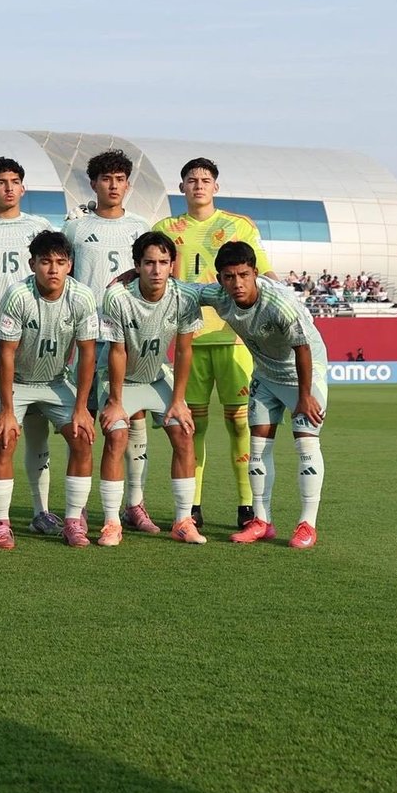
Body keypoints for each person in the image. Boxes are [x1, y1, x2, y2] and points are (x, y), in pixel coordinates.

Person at [152, 157, 277, 531]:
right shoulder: (166, 228)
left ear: (216, 187)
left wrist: (284, 297)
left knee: (242, 426)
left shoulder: (238, 226)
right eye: (191, 180)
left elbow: (264, 272)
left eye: (205, 180)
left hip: (234, 338)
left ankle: (246, 505)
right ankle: (192, 505)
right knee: (193, 428)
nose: (199, 186)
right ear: (182, 187)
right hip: (188, 339)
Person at [199, 241, 327, 549]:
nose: (237, 283)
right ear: (220, 279)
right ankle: (261, 520)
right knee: (257, 448)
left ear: (255, 273)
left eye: (244, 274)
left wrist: (306, 395)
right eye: (229, 276)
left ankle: (307, 524)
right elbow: (178, 288)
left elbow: (304, 348)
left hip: (303, 374)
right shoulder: (218, 296)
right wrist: (130, 275)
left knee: (305, 444)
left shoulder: (280, 303)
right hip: (266, 377)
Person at [0, 156, 60, 534]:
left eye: (15, 181)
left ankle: (41, 510)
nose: (8, 188)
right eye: (0, 182)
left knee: (36, 428)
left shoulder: (40, 228)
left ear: (23, 187)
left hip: (36, 341)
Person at [0, 230, 98, 548]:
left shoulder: (82, 297)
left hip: (55, 382)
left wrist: (81, 408)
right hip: (17, 382)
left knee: (82, 438)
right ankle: (1, 522)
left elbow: (88, 353)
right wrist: (7, 411)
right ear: (32, 263)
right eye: (45, 262)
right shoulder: (18, 295)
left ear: (70, 265)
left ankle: (74, 521)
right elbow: (6, 353)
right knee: (4, 440)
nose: (53, 269)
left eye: (60, 262)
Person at [63, 149, 154, 532]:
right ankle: (79, 507)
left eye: (120, 179)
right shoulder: (75, 228)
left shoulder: (141, 227)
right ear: (94, 184)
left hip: (130, 336)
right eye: (106, 179)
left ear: (128, 185)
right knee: (81, 422)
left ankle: (134, 504)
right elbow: (62, 277)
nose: (113, 185)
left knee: (131, 417)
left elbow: (158, 272)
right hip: (85, 336)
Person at [99, 232, 204, 546]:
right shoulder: (117, 297)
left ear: (172, 265)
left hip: (156, 378)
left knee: (183, 431)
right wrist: (116, 402)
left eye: (162, 262)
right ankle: (111, 522)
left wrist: (179, 401)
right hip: (119, 381)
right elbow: (117, 352)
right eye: (149, 263)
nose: (156, 270)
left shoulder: (184, 296)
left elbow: (184, 350)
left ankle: (183, 521)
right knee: (117, 434)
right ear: (137, 265)